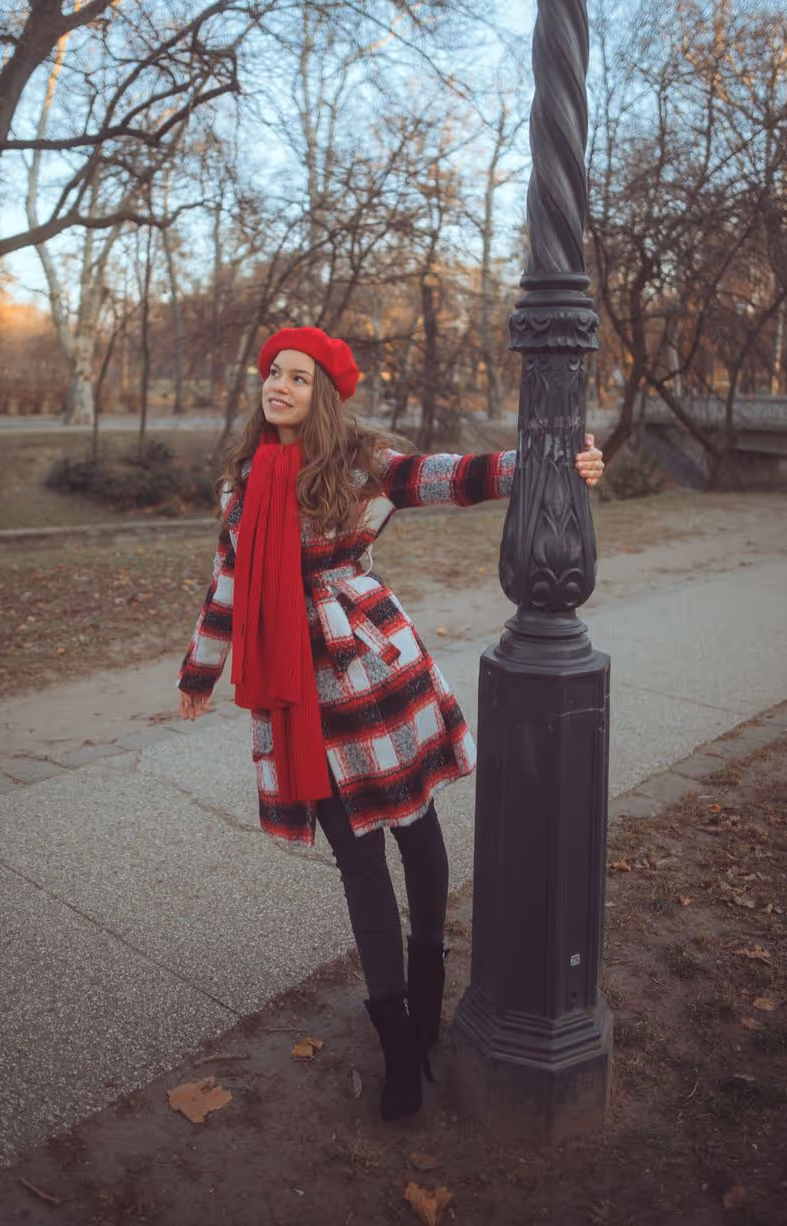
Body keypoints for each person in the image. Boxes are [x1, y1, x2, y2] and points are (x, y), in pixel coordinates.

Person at [177, 327, 604, 1121]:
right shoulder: (241, 483)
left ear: (323, 396)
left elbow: (449, 476)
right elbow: (226, 587)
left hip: (373, 671)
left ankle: (430, 978)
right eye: (273, 372)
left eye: (298, 378)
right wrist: (200, 671)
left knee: (416, 828)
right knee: (358, 860)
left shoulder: (357, 463)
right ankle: (398, 1043)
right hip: (296, 694)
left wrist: (549, 463)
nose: (279, 385)